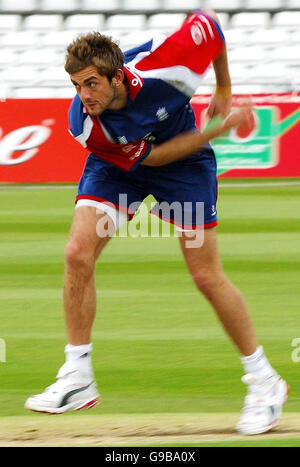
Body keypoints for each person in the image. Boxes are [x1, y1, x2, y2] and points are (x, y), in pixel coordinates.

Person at [25, 9, 288, 434]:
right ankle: (78, 375)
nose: (83, 95)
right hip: (122, 165)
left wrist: (224, 86)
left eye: (91, 83)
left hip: (184, 166)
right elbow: (152, 158)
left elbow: (210, 23)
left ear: (117, 78)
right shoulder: (85, 124)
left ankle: (264, 381)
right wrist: (221, 130)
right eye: (76, 85)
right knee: (77, 252)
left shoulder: (168, 68)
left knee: (206, 275)